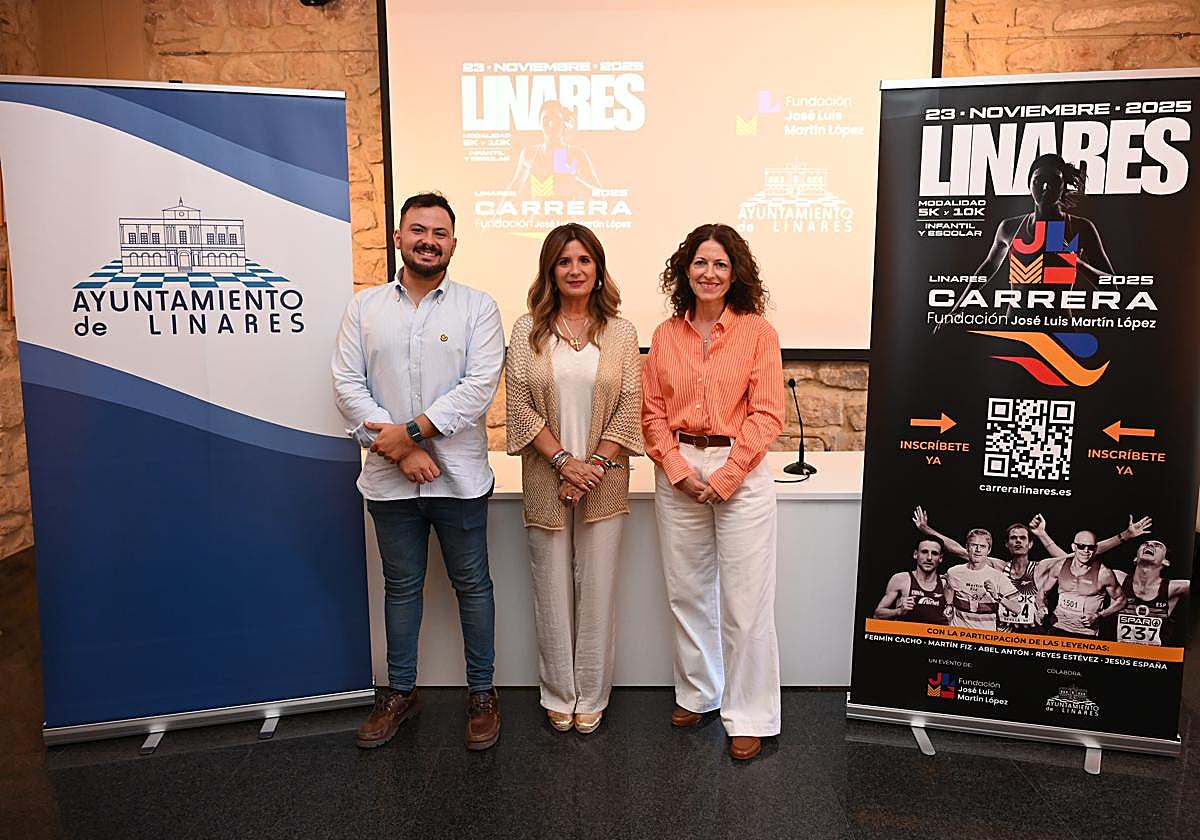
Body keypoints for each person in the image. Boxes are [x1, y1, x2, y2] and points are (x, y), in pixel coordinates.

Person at [331, 192, 505, 751]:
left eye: (440, 232)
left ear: (454, 243)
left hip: (460, 479)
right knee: (401, 589)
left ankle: (483, 694)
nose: (429, 240)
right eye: (418, 230)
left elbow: (477, 389)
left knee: (472, 587)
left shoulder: (478, 308)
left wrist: (409, 434)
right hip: (388, 481)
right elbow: (346, 386)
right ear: (399, 238)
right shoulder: (365, 308)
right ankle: (400, 692)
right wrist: (404, 451)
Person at [642, 223, 784, 761]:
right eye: (700, 263)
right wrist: (677, 468)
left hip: (739, 468)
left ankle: (750, 714)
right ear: (685, 270)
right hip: (679, 465)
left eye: (720, 264)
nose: (709, 273)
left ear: (735, 273)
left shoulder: (757, 333)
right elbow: (652, 412)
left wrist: (726, 475)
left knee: (747, 602)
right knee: (687, 591)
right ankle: (699, 692)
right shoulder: (664, 335)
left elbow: (768, 413)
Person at [505, 223, 642, 734]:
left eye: (585, 260)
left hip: (604, 477)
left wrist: (592, 469)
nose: (575, 269)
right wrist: (564, 463)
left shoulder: (621, 332)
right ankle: (559, 692)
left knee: (599, 588)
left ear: (598, 268)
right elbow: (518, 403)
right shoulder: (528, 330)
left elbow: (630, 405)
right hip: (548, 476)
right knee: (551, 587)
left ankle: (593, 693)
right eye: (565, 261)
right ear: (551, 270)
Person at [937, 153, 1114, 330]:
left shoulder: (1080, 228)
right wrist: (957, 309)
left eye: (1053, 181)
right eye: (1038, 180)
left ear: (1063, 186)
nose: (1045, 187)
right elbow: (988, 267)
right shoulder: (1009, 227)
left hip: (1059, 330)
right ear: (1029, 184)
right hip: (1015, 328)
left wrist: (1075, 262)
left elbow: (1112, 285)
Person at [913, 508, 1043, 631]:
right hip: (969, 631)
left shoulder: (1034, 569)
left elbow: (1063, 561)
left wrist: (1042, 534)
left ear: (988, 549)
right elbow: (955, 551)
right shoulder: (960, 570)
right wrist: (926, 529)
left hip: (1004, 632)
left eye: (982, 546)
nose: (977, 549)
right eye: (1013, 538)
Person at [508, 100, 601, 199]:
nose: (551, 124)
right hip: (537, 214)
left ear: (563, 123)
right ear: (540, 123)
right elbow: (513, 190)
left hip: (565, 214)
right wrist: (496, 214)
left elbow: (599, 194)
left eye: (556, 119)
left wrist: (576, 181)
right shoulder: (529, 154)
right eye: (546, 119)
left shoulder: (576, 154)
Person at [1113, 539, 1190, 646]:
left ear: (1165, 562)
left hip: (1154, 659)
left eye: (1157, 545)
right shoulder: (1117, 579)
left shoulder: (1174, 588)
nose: (1149, 545)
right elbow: (1085, 558)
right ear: (1136, 558)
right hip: (1119, 655)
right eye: (1145, 543)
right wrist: (1123, 536)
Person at [874, 538, 952, 624]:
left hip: (935, 636)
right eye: (924, 552)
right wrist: (899, 611)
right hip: (908, 636)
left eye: (934, 553)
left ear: (940, 558)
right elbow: (877, 614)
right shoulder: (901, 579)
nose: (929, 558)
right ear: (915, 554)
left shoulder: (946, 583)